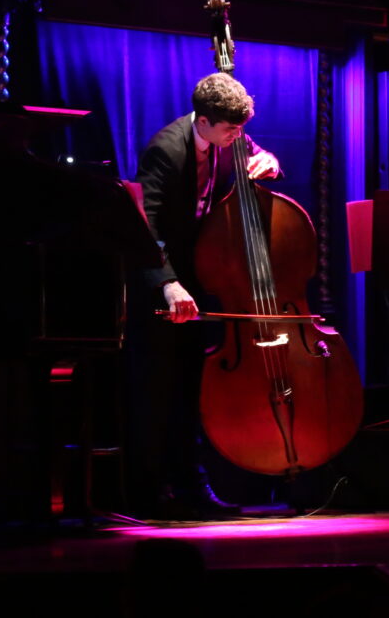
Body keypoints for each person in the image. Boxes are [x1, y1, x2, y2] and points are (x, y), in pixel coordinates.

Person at [128, 72, 280, 519]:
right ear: (205, 120)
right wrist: (167, 282)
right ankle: (148, 494)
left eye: (242, 131)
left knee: (194, 391)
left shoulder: (230, 136)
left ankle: (192, 487)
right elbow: (145, 225)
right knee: (159, 391)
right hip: (166, 282)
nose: (239, 138)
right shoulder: (165, 149)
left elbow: (259, 155)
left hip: (205, 278)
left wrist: (268, 160)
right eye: (232, 130)